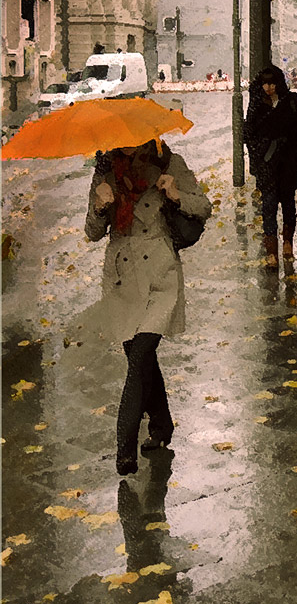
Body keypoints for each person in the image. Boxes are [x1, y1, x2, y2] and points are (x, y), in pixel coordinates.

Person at [85, 140, 211, 476]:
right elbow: (91, 232)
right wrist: (100, 206)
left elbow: (203, 207)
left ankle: (124, 449)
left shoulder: (170, 163)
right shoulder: (105, 171)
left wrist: (175, 195)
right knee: (139, 357)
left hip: (159, 271)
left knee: (140, 355)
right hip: (122, 277)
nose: (125, 146)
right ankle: (161, 424)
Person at [244, 65, 297, 267]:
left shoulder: (291, 101)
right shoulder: (257, 104)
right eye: (265, 83)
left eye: (272, 83)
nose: (268, 87)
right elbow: (249, 134)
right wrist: (258, 157)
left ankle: (288, 243)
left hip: (288, 162)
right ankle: (272, 252)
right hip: (267, 164)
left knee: (288, 204)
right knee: (268, 206)